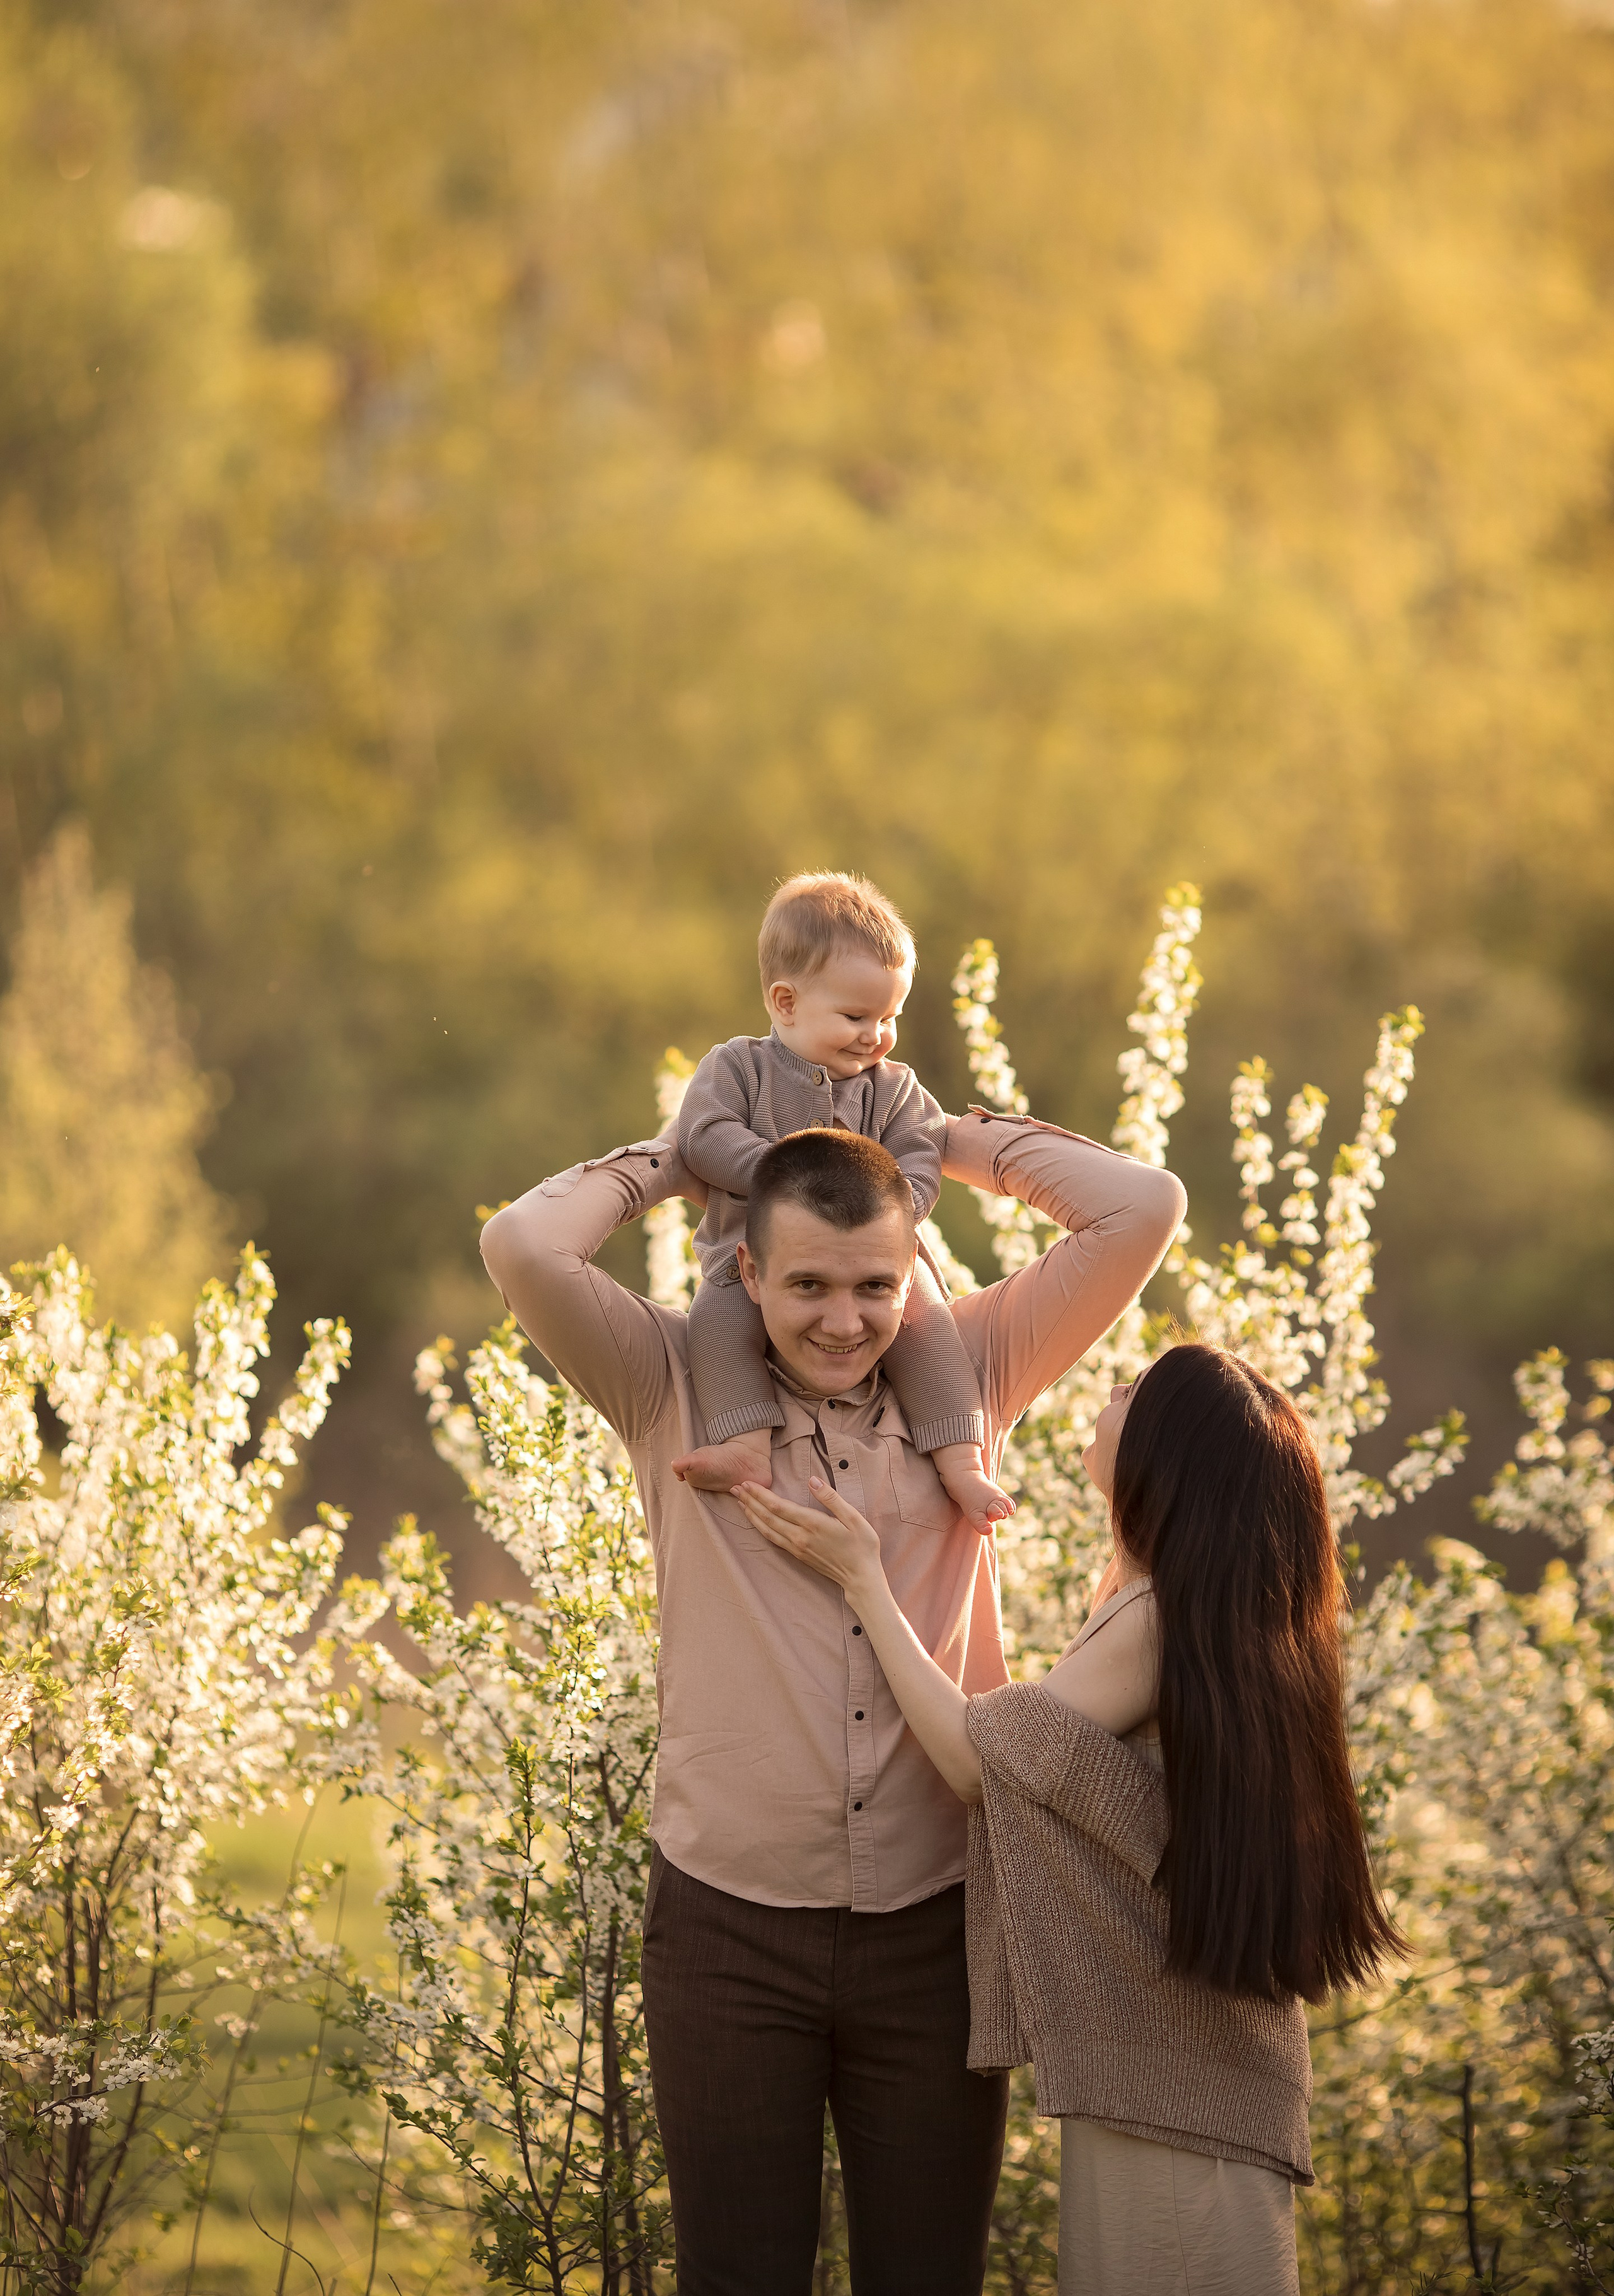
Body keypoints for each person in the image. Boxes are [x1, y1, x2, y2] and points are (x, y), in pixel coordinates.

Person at [480, 1103, 1185, 2296]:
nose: (845, 1322)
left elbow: (1143, 1206)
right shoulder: (665, 1383)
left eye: (875, 1286)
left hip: (936, 1925)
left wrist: (923, 1132)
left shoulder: (974, 1374)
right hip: (728, 1927)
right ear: (747, 1271)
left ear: (912, 1273)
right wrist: (692, 1151)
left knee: (929, 2277)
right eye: (807, 1284)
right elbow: (520, 1244)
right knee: (737, 2277)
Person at [736, 1340, 1404, 2296]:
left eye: (1140, 1387)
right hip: (1185, 2076)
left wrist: (865, 1582)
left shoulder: (1158, 1620)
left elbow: (976, 1760)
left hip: (1173, 2097)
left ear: (1169, 1452)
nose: (1116, 1383)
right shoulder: (1197, 1613)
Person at [671, 868, 1011, 1532]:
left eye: (889, 1017)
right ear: (786, 1002)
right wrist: (783, 1174)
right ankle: (746, 1445)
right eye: (856, 1016)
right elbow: (702, 1135)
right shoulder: (738, 1068)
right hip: (747, 1254)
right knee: (716, 1324)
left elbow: (919, 1156)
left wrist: (894, 1206)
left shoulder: (895, 1088)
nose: (875, 1035)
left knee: (926, 1329)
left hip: (877, 1263)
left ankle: (962, 1462)